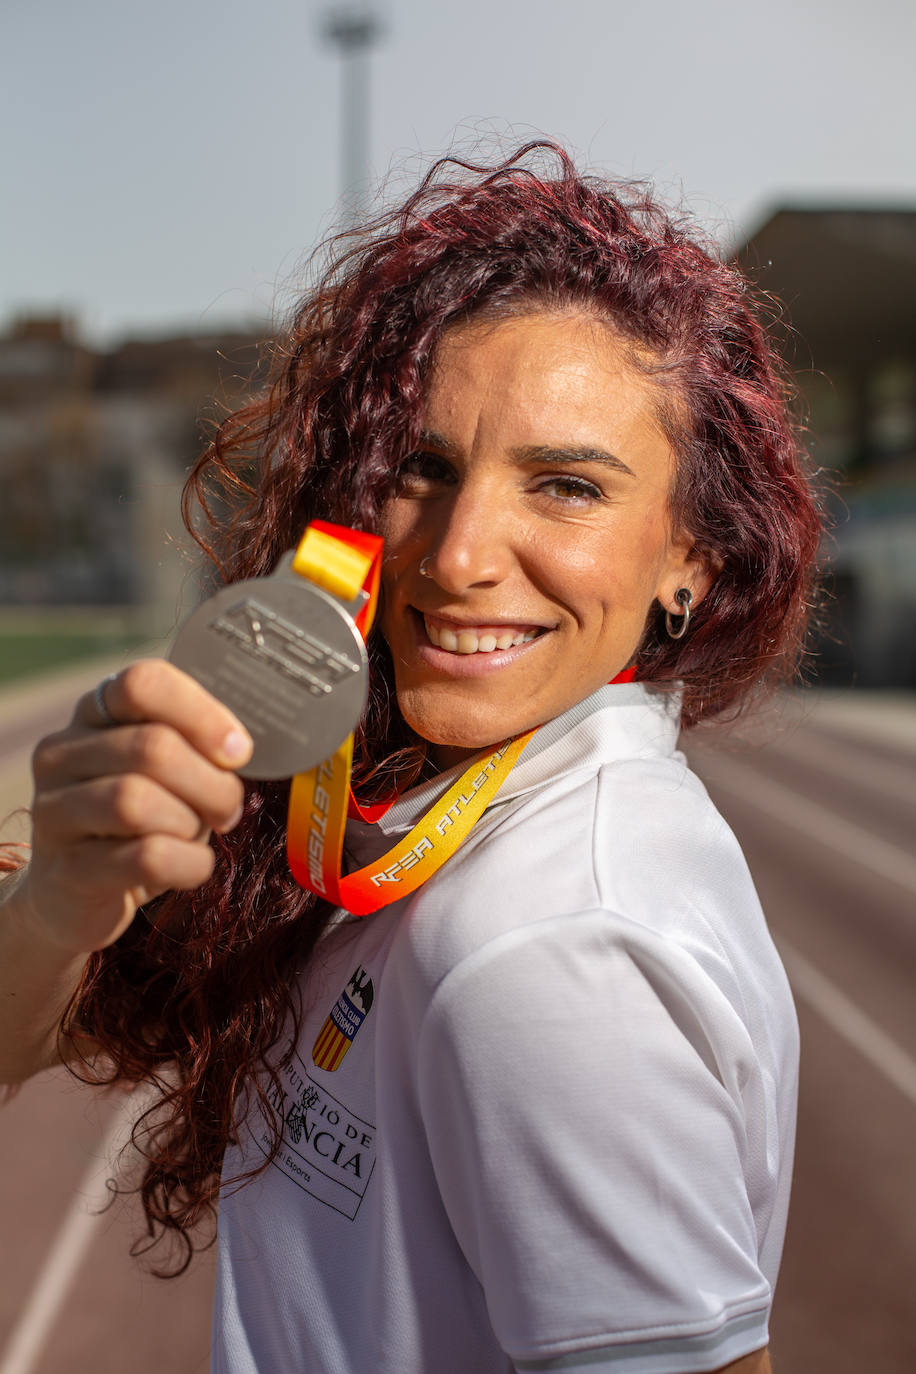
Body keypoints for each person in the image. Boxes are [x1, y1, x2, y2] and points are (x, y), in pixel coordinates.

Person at [0, 142, 821, 1374]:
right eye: (423, 470)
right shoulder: (403, 788)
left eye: (564, 487)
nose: (454, 556)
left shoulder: (550, 953)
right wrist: (56, 906)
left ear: (687, 561)